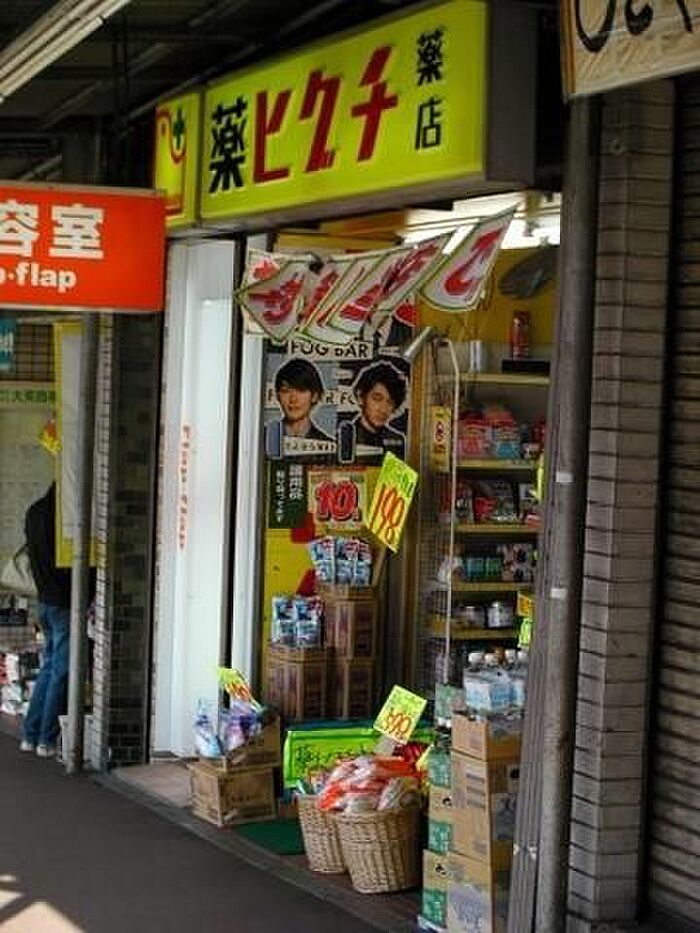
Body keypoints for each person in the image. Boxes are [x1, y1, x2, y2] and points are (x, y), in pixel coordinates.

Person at [20, 483, 71, 758]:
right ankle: (46, 739)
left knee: (49, 668)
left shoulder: (34, 511)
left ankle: (30, 734)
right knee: (60, 672)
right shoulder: (64, 519)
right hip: (65, 603)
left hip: (44, 601)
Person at [266, 358, 333, 457]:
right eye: (285, 391)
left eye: (301, 390)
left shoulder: (328, 447)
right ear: (277, 396)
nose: (293, 399)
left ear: (315, 396)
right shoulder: (263, 439)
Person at [351, 361, 407, 463]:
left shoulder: (397, 440)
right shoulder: (345, 436)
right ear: (360, 397)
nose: (383, 409)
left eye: (390, 402)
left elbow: (397, 474)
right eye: (377, 398)